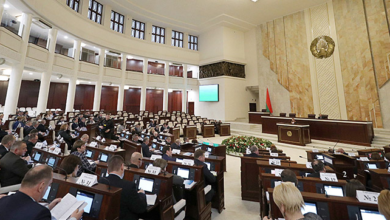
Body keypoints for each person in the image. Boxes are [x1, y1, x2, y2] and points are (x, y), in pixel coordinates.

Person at [0, 165, 83, 220]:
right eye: (48, 185)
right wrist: (73, 219)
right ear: (41, 187)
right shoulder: (41, 213)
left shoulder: (3, 200)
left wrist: (48, 207)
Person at [98, 155, 147, 220]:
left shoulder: (101, 181)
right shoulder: (129, 186)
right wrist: (142, 194)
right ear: (122, 167)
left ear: (108, 170)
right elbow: (140, 208)